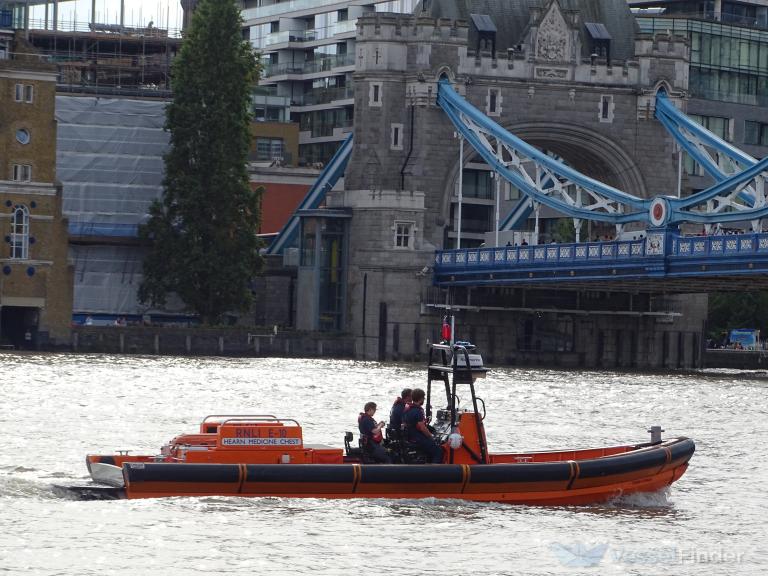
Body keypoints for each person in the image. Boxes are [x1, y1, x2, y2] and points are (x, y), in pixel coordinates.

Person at [403, 388, 443, 463]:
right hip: (418, 438)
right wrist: (431, 436)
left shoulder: (408, 409)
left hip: (410, 437)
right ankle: (435, 472)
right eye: (423, 398)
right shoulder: (417, 411)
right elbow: (422, 427)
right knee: (438, 450)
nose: (424, 400)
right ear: (421, 399)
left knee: (431, 448)